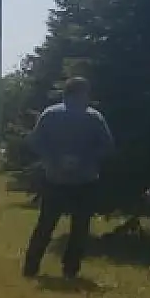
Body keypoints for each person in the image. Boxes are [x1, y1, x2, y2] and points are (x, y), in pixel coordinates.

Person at [23, 77, 115, 279]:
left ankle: (31, 266)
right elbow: (107, 146)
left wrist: (52, 159)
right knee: (80, 227)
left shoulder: (50, 114)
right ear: (83, 93)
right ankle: (70, 269)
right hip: (85, 178)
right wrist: (84, 159)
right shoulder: (94, 117)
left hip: (55, 177)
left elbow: (34, 141)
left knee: (45, 224)